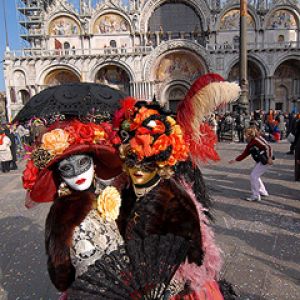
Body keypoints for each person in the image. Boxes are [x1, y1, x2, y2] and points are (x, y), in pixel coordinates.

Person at [113, 98, 236, 299]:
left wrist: (170, 285)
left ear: (162, 166)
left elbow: (194, 257)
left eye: (149, 165)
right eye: (132, 162)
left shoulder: (176, 201)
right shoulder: (122, 190)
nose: (139, 171)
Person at [22, 119, 124, 293]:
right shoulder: (62, 214)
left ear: (94, 163)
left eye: (82, 163)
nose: (77, 173)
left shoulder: (107, 194)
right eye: (67, 168)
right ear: (60, 175)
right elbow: (61, 275)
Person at [229, 128, 273, 201]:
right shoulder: (251, 142)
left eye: (245, 135)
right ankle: (263, 191)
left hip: (265, 160)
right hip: (261, 160)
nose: (245, 136)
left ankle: (256, 195)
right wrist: (236, 160)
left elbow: (268, 147)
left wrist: (269, 157)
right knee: (255, 175)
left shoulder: (256, 140)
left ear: (250, 135)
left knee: (254, 176)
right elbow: (245, 153)